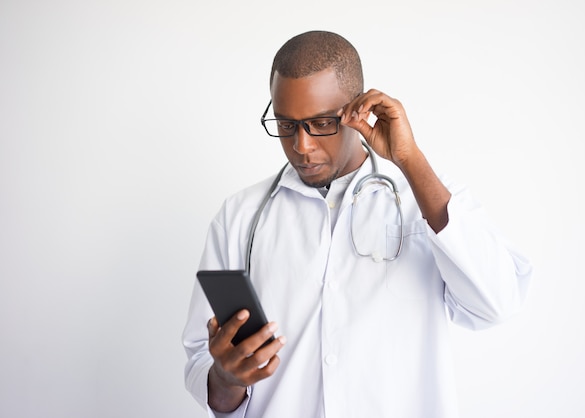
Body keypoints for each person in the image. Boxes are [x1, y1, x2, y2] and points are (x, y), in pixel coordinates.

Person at [183, 30, 532, 418]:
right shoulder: (240, 217)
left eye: (320, 124)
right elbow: (203, 364)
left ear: (359, 111)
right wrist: (227, 378)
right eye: (286, 124)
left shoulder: (426, 201)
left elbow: (496, 304)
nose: (301, 145)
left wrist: (409, 158)